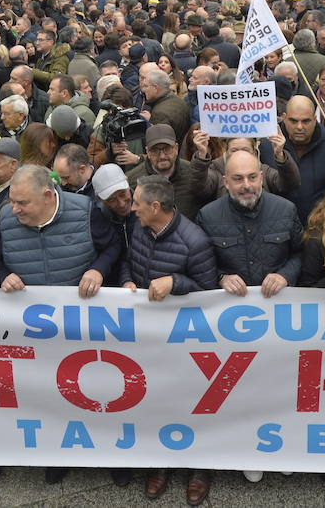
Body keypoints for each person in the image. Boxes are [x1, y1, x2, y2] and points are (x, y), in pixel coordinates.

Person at [0, 164, 122, 486]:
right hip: (38, 333)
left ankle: (115, 458)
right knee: (50, 395)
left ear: (48, 196)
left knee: (101, 390)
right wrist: (1, 275)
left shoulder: (85, 211)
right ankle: (59, 455)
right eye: (12, 202)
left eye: (23, 203)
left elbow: (114, 246)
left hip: (85, 326)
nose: (14, 209)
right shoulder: (5, 217)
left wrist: (98, 270)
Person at [197, 148, 301, 488]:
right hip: (233, 328)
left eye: (252, 177)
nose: (246, 185)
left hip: (279, 325)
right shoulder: (208, 216)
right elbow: (200, 264)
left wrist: (286, 273)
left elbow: (303, 254)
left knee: (281, 388)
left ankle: (284, 449)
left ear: (263, 176)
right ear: (225, 181)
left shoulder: (286, 210)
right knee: (241, 393)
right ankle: (250, 452)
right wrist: (219, 279)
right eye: (238, 179)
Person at [122, 177, 217, 505]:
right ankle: (160, 462)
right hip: (148, 334)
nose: (131, 209)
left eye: (136, 203)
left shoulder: (195, 241)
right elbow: (127, 260)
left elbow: (208, 292)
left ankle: (198, 468)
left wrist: (175, 282)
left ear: (155, 207)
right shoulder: (139, 228)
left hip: (185, 338)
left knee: (192, 400)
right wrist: (126, 280)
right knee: (155, 398)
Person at [276, 95, 325, 221]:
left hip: (320, 229)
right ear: (284, 118)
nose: (299, 127)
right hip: (278, 230)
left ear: (315, 119)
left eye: (306, 121)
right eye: (293, 121)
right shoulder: (267, 147)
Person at [123, 124, 209, 220]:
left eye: (167, 149)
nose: (162, 156)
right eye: (155, 150)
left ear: (176, 148)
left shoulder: (193, 174)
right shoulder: (133, 181)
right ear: (147, 152)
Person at [189, 130, 300, 200]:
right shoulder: (216, 170)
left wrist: (280, 155)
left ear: (255, 152)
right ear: (226, 152)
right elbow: (199, 189)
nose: (240, 154)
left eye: (245, 150)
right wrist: (201, 156)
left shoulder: (263, 171)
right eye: (234, 150)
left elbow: (289, 185)